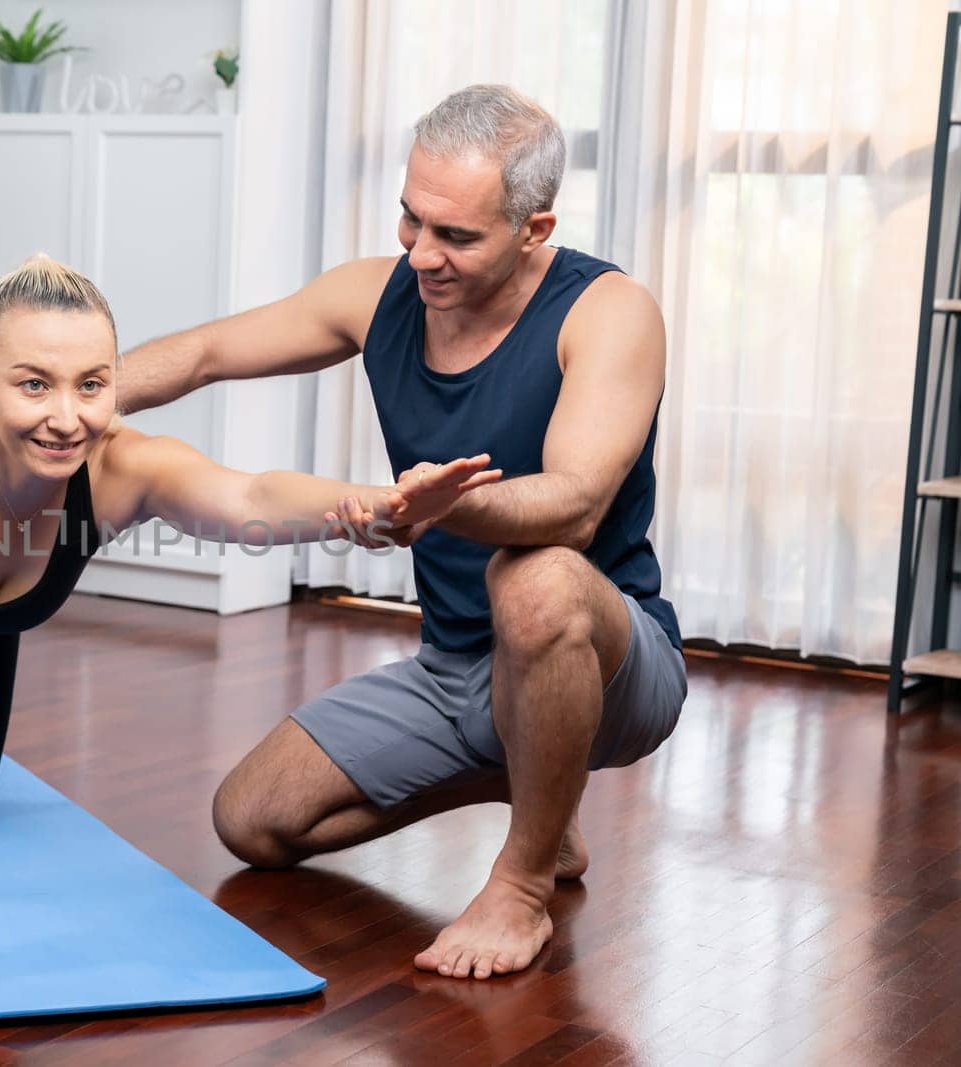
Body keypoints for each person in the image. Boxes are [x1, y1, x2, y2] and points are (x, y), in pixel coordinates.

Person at [0, 254, 499, 956]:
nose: (66, 417)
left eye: (92, 385)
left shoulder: (119, 469)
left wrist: (373, 505)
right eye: (33, 384)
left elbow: (249, 495)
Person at [115, 84, 687, 981]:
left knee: (533, 579)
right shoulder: (379, 293)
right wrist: (66, 398)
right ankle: (544, 784)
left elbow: (575, 504)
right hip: (456, 666)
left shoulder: (608, 312)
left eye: (456, 236)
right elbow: (206, 352)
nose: (422, 254)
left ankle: (525, 880)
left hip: (613, 662)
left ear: (534, 230)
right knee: (253, 820)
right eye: (410, 220)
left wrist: (442, 505)